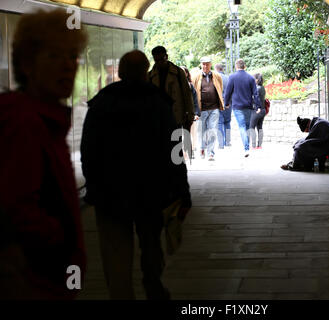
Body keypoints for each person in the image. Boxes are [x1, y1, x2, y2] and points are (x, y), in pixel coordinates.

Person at [80, 50, 192, 300]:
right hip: (150, 192)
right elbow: (175, 152)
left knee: (115, 251)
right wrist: (182, 192)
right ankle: (152, 284)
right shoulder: (159, 103)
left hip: (110, 194)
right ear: (145, 72)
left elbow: (87, 150)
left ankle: (122, 294)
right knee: (151, 244)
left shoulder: (101, 103)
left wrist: (94, 186)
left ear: (119, 73)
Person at [0, 9, 88, 299]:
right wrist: (61, 242)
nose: (67, 66)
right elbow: (17, 207)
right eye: (54, 56)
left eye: (72, 57)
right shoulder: (24, 122)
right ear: (27, 64)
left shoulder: (46, 119)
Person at [149, 46, 195, 157]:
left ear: (167, 56)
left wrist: (190, 116)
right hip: (158, 118)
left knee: (176, 147)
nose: (159, 62)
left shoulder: (178, 73)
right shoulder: (150, 75)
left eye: (162, 59)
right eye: (157, 60)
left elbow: (187, 95)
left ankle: (177, 170)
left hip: (176, 116)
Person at [224, 59, 260, 157]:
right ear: (244, 66)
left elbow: (228, 92)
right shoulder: (250, 78)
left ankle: (246, 148)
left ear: (236, 66)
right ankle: (247, 147)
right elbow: (255, 94)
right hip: (248, 106)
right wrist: (258, 106)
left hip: (237, 107)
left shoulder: (232, 77)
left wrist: (226, 103)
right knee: (247, 127)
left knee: (242, 127)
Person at [192, 57, 224, 161]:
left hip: (214, 108)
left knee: (213, 130)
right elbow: (193, 92)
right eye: (203, 64)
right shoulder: (196, 77)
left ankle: (211, 153)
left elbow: (220, 88)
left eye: (207, 64)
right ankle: (202, 148)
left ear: (210, 64)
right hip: (202, 109)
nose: (205, 66)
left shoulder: (216, 76)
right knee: (202, 131)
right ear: (201, 65)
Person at [181, 66, 200, 159]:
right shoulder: (175, 85)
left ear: (187, 73)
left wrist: (196, 113)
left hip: (190, 113)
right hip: (179, 113)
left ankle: (190, 150)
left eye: (184, 72)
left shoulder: (190, 85)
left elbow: (195, 100)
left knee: (191, 133)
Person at [215, 63, 231, 148]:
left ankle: (221, 144)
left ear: (216, 69)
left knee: (219, 123)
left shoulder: (215, 78)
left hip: (218, 103)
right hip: (228, 103)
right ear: (222, 69)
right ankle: (228, 142)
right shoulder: (228, 78)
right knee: (227, 122)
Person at [249, 73, 266, 149]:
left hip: (256, 110)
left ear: (256, 80)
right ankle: (259, 145)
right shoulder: (262, 88)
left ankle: (253, 145)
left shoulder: (256, 89)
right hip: (263, 110)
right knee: (260, 127)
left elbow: (253, 100)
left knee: (251, 127)